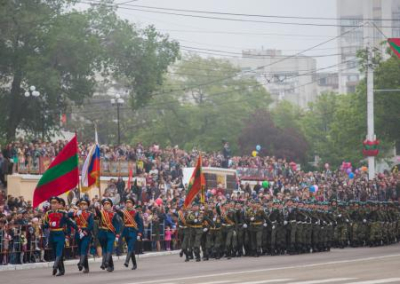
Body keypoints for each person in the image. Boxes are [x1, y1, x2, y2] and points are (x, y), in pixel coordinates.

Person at [42, 196, 76, 276]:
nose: (53, 205)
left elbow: (70, 222)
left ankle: (55, 266)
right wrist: (48, 224)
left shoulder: (63, 213)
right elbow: (45, 224)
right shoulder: (48, 213)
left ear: (58, 204)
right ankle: (61, 270)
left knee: (59, 251)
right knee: (54, 252)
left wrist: (78, 229)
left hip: (60, 233)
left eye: (55, 203)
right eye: (52, 203)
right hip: (52, 234)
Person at [117, 197, 143, 270]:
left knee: (130, 247)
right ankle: (134, 264)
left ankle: (127, 261)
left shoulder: (136, 213)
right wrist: (116, 208)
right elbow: (119, 214)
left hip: (133, 232)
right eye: (127, 203)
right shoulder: (124, 212)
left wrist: (139, 233)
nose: (128, 204)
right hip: (126, 232)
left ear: (132, 204)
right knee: (130, 249)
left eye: (129, 203)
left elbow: (140, 224)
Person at [68, 198, 94, 273]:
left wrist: (85, 232)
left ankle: (81, 263)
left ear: (87, 205)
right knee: (81, 250)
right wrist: (74, 213)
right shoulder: (77, 213)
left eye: (84, 204)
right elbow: (67, 216)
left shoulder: (90, 214)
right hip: (78, 233)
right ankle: (86, 267)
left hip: (86, 234)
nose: (82, 206)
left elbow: (91, 225)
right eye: (81, 204)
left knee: (83, 248)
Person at [95, 198, 121, 272]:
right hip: (102, 233)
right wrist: (96, 207)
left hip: (110, 233)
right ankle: (111, 266)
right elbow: (97, 214)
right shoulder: (101, 213)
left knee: (109, 248)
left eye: (108, 204)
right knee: (104, 249)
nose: (106, 206)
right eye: (105, 204)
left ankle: (105, 262)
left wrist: (117, 235)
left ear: (111, 205)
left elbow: (117, 225)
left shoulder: (114, 214)